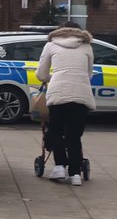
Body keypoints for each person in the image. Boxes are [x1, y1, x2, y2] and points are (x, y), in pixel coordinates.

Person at [36, 21, 95, 186]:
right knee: (74, 135)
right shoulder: (87, 47)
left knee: (56, 131)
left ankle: (60, 167)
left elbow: (41, 73)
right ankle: (75, 174)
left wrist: (51, 78)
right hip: (81, 94)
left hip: (58, 93)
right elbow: (89, 74)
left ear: (60, 31)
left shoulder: (51, 45)